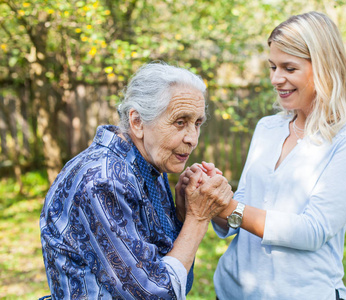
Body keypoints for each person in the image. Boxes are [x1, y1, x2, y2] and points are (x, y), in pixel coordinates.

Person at [184, 11, 346, 300]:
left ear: (323, 67)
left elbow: (313, 230)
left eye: (289, 68)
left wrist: (227, 206)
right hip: (232, 291)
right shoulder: (267, 128)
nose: (276, 79)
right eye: (273, 67)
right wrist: (214, 194)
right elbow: (243, 209)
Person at [39, 62, 233, 299]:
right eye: (180, 122)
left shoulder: (149, 165)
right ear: (138, 122)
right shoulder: (103, 181)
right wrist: (199, 218)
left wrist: (182, 215)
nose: (192, 138)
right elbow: (155, 294)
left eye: (198, 123)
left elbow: (176, 274)